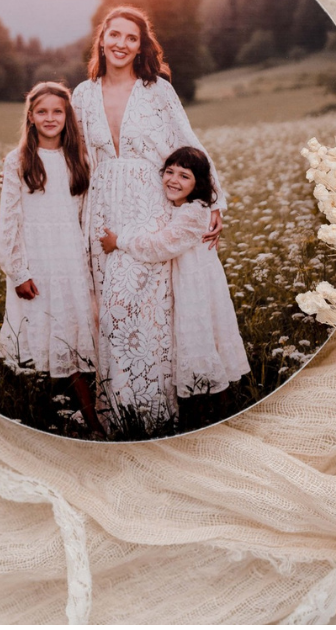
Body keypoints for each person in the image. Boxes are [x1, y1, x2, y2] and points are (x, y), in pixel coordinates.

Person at [71, 6, 225, 437]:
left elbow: (188, 143)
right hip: (101, 210)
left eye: (131, 38)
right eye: (114, 34)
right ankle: (118, 416)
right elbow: (76, 158)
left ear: (142, 46)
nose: (121, 43)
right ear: (102, 39)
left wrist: (214, 202)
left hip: (149, 207)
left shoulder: (157, 90)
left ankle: (157, 415)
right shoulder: (83, 94)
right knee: (109, 311)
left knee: (149, 312)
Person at [99, 147, 250, 429]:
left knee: (201, 341)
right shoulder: (181, 208)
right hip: (188, 285)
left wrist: (119, 241)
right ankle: (202, 412)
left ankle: (217, 416)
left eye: (184, 176)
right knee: (195, 343)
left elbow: (161, 245)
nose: (173, 180)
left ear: (199, 184)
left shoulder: (194, 213)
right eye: (169, 172)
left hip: (197, 290)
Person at [0, 82, 100, 431]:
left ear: (68, 116)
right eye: (42, 111)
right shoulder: (19, 161)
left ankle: (90, 416)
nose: (50, 117)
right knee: (38, 336)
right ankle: (31, 415)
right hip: (36, 262)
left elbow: (85, 218)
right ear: (31, 116)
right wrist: (17, 271)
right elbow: (9, 221)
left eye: (58, 111)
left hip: (70, 261)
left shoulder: (79, 160)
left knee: (71, 334)